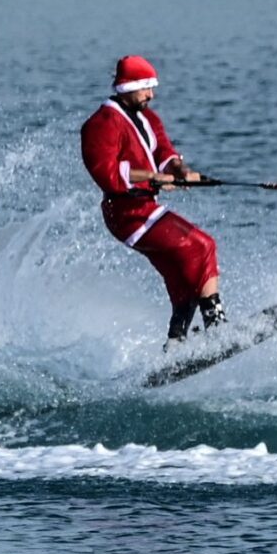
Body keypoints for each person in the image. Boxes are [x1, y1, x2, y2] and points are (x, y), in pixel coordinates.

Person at [80, 55, 226, 347]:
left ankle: (175, 345)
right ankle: (218, 329)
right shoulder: (102, 124)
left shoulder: (149, 119)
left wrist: (180, 171)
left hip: (145, 209)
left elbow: (164, 153)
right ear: (126, 87)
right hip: (125, 213)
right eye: (145, 87)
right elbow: (105, 174)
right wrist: (152, 177)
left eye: (152, 87)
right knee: (203, 246)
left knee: (183, 278)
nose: (151, 94)